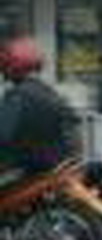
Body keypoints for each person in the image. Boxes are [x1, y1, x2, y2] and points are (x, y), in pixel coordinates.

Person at [0, 37, 81, 185]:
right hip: (56, 167)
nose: (2, 70)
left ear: (14, 65)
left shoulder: (17, 96)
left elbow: (3, 135)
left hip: (25, 170)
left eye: (4, 64)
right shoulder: (50, 93)